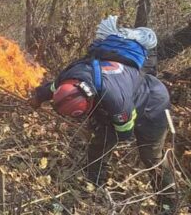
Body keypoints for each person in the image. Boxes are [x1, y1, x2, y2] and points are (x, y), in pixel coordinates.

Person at [29, 54, 176, 212]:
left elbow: (124, 133)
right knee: (98, 144)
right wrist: (38, 97)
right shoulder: (69, 75)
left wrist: (103, 130)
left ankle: (168, 202)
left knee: (151, 156)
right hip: (117, 94)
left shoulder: (116, 101)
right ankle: (95, 185)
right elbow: (53, 88)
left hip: (153, 103)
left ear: (90, 100)